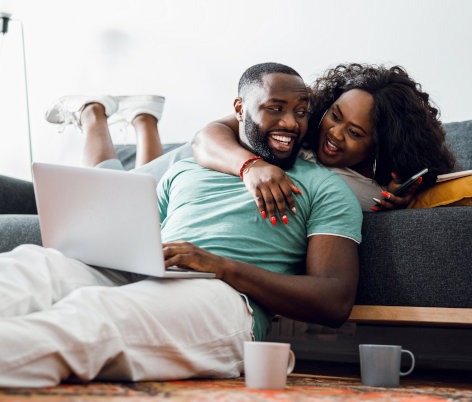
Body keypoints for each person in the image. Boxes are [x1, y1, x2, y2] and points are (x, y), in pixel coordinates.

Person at [0, 62, 362, 387]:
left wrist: (221, 267)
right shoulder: (189, 166)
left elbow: (334, 300)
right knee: (32, 266)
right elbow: (135, 233)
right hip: (148, 273)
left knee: (92, 317)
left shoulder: (325, 187)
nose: (291, 123)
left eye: (301, 112)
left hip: (226, 299)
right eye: (275, 109)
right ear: (239, 109)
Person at [191, 63, 456, 218]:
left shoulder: (371, 192)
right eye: (335, 115)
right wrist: (250, 166)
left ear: (381, 148)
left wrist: (402, 207)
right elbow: (205, 137)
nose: (334, 133)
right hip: (201, 162)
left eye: (354, 133)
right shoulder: (296, 123)